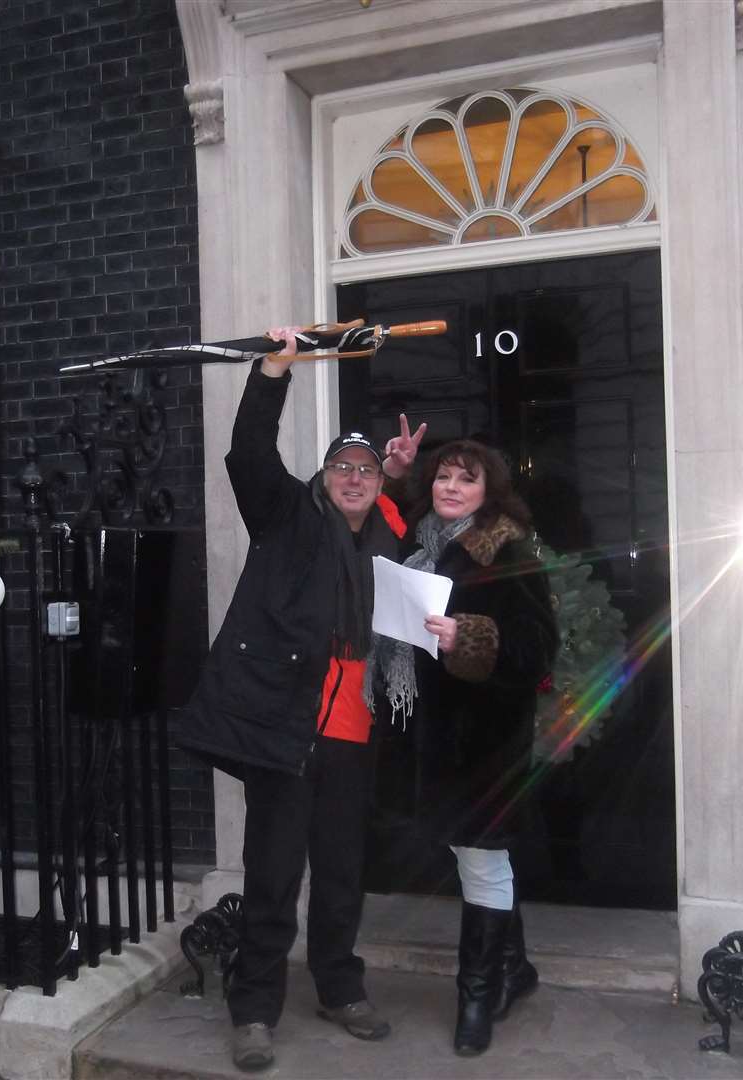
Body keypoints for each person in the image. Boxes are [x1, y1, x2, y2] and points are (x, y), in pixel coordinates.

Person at [177, 327, 426, 1073]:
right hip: (284, 729)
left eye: (364, 470)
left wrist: (400, 476)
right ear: (322, 478)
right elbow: (250, 450)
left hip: (353, 730)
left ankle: (338, 988)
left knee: (343, 870)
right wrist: (273, 372)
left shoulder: (382, 536)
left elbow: (408, 561)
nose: (353, 477)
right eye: (340, 467)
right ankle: (253, 1010)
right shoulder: (286, 518)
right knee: (274, 873)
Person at [366, 438, 558, 1057]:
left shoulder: (506, 548)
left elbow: (537, 650)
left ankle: (476, 995)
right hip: (427, 734)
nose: (451, 487)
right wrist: (391, 473)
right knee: (474, 854)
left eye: (466, 480)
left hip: (484, 739)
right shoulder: (415, 543)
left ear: (488, 492)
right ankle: (516, 967)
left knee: (479, 856)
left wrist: (468, 637)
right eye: (444, 476)